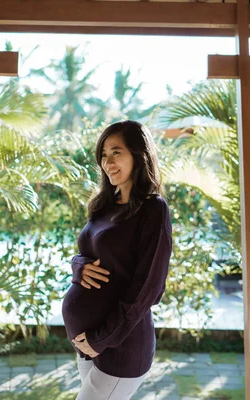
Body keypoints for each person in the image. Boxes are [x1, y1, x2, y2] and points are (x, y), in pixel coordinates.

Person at [61, 120, 172, 399]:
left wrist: (101, 338)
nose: (107, 162)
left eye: (116, 152)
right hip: (87, 343)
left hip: (119, 347)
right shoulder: (103, 206)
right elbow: (89, 255)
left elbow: (148, 289)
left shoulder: (152, 210)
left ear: (138, 154)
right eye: (103, 155)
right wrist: (78, 267)